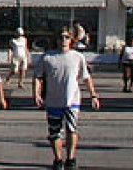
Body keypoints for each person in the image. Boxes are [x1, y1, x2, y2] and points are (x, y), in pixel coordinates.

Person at [33, 28, 100, 170]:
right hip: (53, 101)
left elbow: (86, 78)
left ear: (71, 40)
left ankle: (71, 159)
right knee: (54, 133)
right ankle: (58, 160)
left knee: (71, 129)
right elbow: (38, 77)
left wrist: (93, 95)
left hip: (72, 101)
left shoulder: (77, 57)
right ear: (56, 40)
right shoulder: (47, 57)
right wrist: (37, 94)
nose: (63, 40)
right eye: (61, 37)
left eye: (67, 37)